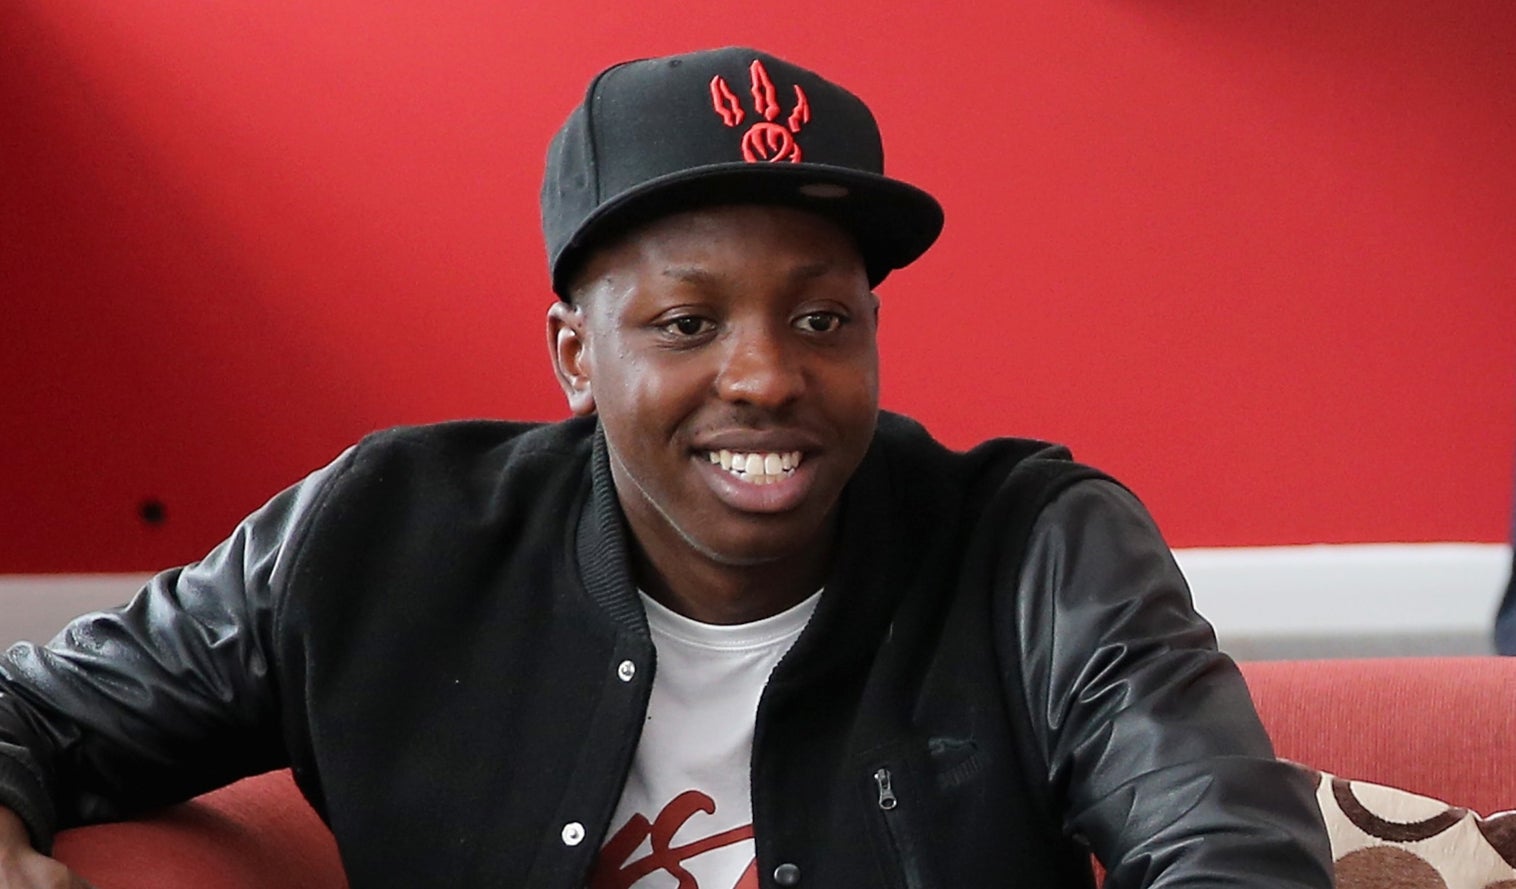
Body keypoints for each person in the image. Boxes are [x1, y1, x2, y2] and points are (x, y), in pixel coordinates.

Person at [0, 47, 1332, 888]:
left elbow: (1231, 849)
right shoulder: (380, 538)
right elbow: (39, 708)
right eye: (687, 323)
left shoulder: (1040, 548)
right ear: (575, 356)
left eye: (822, 318)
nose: (764, 376)